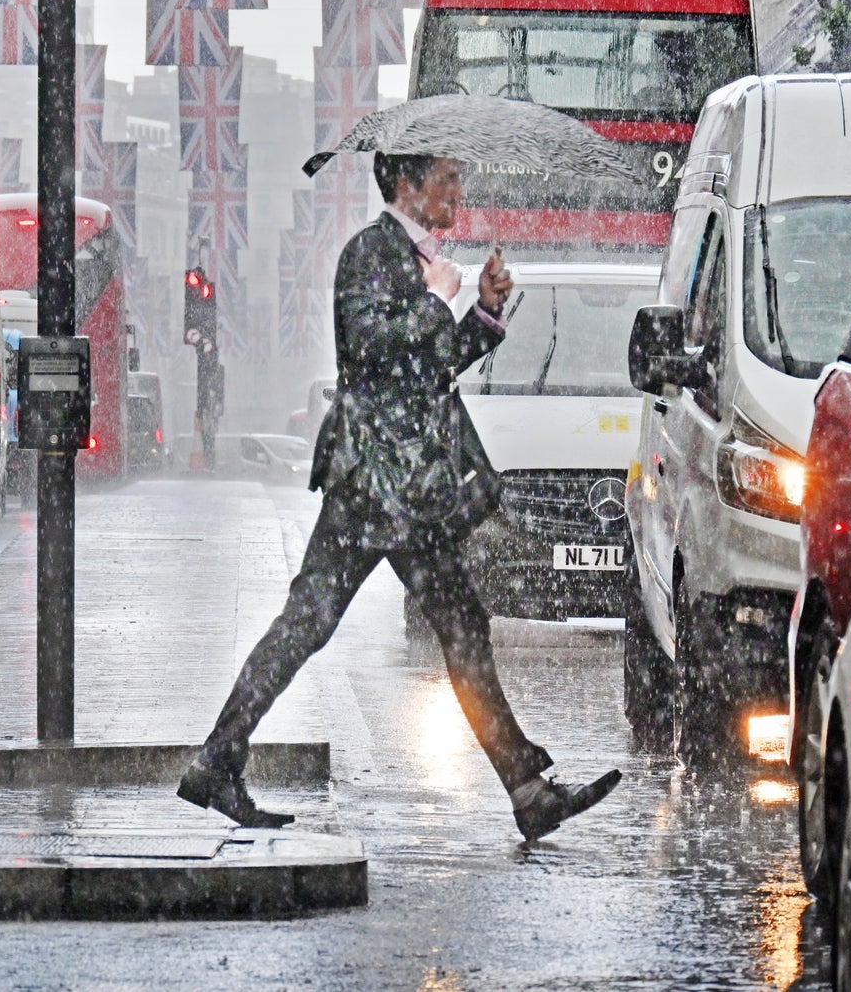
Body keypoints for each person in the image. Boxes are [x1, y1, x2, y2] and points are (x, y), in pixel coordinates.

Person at [178, 152, 622, 842]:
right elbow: (370, 347)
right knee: (328, 621)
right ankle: (525, 789)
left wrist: (483, 312)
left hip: (400, 484)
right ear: (405, 186)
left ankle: (525, 789)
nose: (457, 190)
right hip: (375, 482)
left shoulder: (410, 260)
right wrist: (440, 298)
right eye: (446, 178)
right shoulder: (371, 253)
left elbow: (428, 364)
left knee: (435, 622)